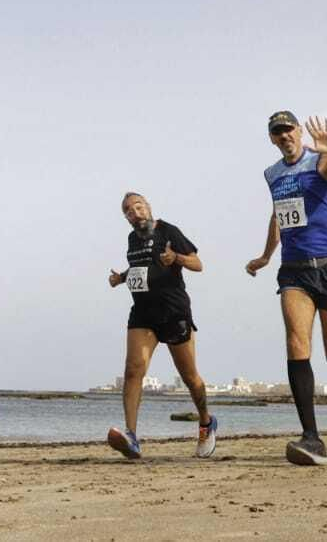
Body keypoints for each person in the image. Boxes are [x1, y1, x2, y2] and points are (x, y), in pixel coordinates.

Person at [246, 111, 327, 466]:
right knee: (296, 343)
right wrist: (265, 255)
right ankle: (312, 438)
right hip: (294, 270)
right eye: (277, 132)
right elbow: (279, 213)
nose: (284, 135)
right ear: (272, 138)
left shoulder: (321, 161)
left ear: (298, 131)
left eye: (288, 128)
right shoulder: (272, 173)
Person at [104, 192, 218, 460]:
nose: (135, 212)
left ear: (149, 207)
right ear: (127, 218)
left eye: (138, 206)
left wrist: (175, 258)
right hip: (142, 314)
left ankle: (205, 422)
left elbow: (198, 264)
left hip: (174, 311)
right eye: (129, 211)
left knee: (190, 378)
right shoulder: (132, 240)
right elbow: (140, 269)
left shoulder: (169, 230)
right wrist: (121, 278)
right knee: (133, 370)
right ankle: (131, 437)